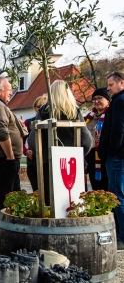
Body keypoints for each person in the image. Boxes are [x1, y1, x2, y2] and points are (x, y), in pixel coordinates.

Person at [27, 80, 92, 206]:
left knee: (49, 204)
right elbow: (87, 141)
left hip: (48, 163)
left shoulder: (44, 111)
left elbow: (32, 140)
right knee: (71, 202)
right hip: (72, 163)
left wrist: (41, 155)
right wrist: (79, 154)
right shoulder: (75, 111)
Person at [0, 76, 28, 244]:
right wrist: (10, 156)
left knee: (14, 194)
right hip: (3, 159)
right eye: (9, 90)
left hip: (6, 159)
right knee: (4, 196)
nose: (11, 92)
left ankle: (13, 229)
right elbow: (2, 132)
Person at [98, 71, 124, 252]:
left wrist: (110, 152)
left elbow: (118, 130)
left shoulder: (120, 102)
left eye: (111, 85)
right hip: (117, 156)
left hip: (117, 157)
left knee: (118, 197)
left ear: (121, 83)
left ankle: (122, 237)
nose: (108, 88)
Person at [84, 87, 110, 191]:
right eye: (94, 99)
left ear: (107, 100)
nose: (96, 101)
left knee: (106, 186)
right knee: (95, 187)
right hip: (90, 155)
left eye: (100, 98)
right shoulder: (88, 117)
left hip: (104, 155)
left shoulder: (110, 115)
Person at [23, 94, 47, 191]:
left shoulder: (53, 121)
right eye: (40, 107)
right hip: (33, 161)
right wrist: (26, 151)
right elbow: (21, 141)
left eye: (45, 106)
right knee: (37, 190)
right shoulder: (28, 122)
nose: (42, 109)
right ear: (35, 108)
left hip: (48, 161)